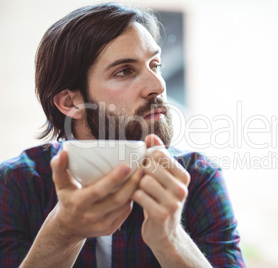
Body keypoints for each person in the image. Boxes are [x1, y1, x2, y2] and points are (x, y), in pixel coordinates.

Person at [0, 2, 245, 268]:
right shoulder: (16, 184)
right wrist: (63, 234)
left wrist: (171, 240)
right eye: (124, 71)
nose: (158, 85)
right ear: (70, 103)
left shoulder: (197, 177)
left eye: (155, 64)